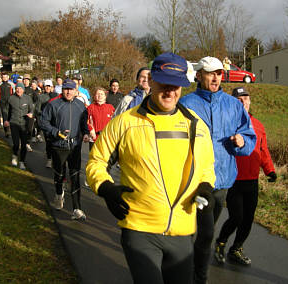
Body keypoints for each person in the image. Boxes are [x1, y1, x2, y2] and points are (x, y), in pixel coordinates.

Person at [86, 52, 216, 284]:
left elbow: (206, 167)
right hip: (139, 227)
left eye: (176, 86)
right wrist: (106, 188)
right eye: (164, 84)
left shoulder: (196, 125)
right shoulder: (125, 122)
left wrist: (206, 187)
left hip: (183, 231)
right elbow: (97, 161)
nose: (170, 91)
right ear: (152, 81)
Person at [179, 56, 257, 284]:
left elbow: (249, 135)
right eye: (210, 73)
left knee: (207, 232)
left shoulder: (233, 105)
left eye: (219, 73)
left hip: (221, 181)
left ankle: (196, 273)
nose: (215, 77)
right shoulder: (186, 104)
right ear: (199, 75)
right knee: (192, 232)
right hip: (192, 180)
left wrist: (242, 141)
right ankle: (191, 274)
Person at [214, 86, 276, 266]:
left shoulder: (258, 125)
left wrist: (269, 170)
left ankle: (236, 249)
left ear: (249, 101)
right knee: (236, 217)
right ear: (234, 102)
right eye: (239, 100)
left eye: (246, 99)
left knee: (248, 218)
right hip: (233, 179)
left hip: (252, 180)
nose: (243, 102)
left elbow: (263, 151)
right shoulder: (227, 123)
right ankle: (221, 243)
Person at [41, 79, 90, 221]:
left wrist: (86, 133)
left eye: (71, 89)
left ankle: (77, 208)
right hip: (58, 146)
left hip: (74, 146)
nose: (68, 92)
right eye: (66, 89)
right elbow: (43, 122)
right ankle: (58, 194)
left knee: (75, 176)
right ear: (62, 90)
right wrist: (56, 132)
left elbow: (84, 124)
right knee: (59, 174)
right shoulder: (53, 104)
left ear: (76, 91)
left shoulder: (81, 105)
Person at [4, 82, 34, 170]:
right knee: (16, 143)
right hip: (14, 123)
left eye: (20, 88)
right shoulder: (11, 98)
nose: (18, 90)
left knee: (24, 145)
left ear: (23, 90)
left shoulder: (28, 98)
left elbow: (32, 109)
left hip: (24, 124)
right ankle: (15, 155)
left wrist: (31, 114)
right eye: (17, 88)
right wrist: (6, 120)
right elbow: (6, 110)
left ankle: (22, 162)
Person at [35, 79, 59, 168]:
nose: (48, 88)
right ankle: (49, 159)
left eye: (49, 86)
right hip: (46, 122)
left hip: (56, 122)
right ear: (44, 87)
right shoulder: (41, 97)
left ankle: (55, 159)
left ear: (52, 87)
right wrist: (44, 114)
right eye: (46, 86)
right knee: (48, 141)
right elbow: (37, 109)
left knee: (56, 141)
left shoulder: (56, 96)